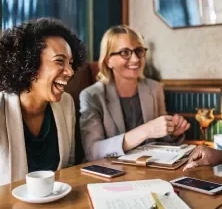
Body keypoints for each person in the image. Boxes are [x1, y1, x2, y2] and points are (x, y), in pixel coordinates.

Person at [0, 18, 86, 191]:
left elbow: (67, 168)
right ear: (29, 64)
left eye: (70, 63)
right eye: (59, 61)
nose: (70, 71)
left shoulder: (66, 104)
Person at [79, 25, 190, 161]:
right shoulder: (91, 95)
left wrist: (172, 132)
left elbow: (161, 141)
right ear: (108, 61)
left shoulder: (154, 88)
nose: (136, 59)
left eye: (139, 51)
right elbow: (92, 151)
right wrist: (145, 131)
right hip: (110, 172)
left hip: (149, 169)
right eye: (125, 52)